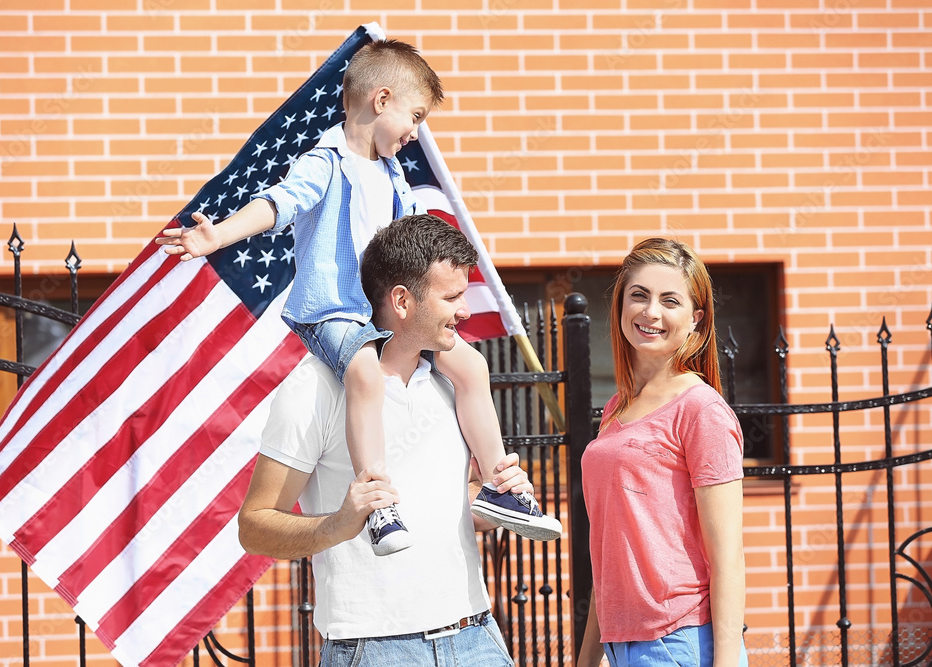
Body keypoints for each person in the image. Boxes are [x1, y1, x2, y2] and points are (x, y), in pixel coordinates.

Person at [156, 39, 560, 556]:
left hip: (390, 316)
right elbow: (279, 204)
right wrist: (217, 236)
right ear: (381, 99)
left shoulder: (395, 175)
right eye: (414, 116)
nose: (416, 132)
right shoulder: (325, 163)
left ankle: (501, 488)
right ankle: (377, 501)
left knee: (472, 367)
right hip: (335, 314)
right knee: (365, 372)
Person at [238, 214, 527, 666]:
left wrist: (495, 498)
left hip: (476, 635)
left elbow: (454, 509)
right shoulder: (314, 388)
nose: (465, 310)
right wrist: (337, 524)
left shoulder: (453, 381)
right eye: (451, 297)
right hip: (374, 648)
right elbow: (254, 526)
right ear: (402, 301)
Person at [577, 238, 748, 667]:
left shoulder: (701, 409)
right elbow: (611, 551)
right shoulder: (617, 408)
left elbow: (727, 557)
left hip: (680, 642)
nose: (651, 312)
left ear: (696, 320)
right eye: (639, 295)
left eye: (669, 301)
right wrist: (587, 658)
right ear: (620, 306)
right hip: (624, 646)